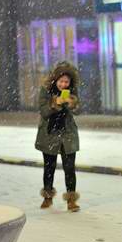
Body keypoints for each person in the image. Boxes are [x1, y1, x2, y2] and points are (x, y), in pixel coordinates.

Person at [35, 61, 81, 212]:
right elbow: (44, 112)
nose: (64, 84)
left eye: (66, 82)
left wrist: (71, 103)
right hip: (49, 134)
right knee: (49, 167)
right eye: (61, 81)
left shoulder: (71, 91)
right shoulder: (46, 91)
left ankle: (71, 201)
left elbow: (78, 110)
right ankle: (47, 198)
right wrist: (56, 103)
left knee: (70, 168)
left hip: (67, 135)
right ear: (56, 80)